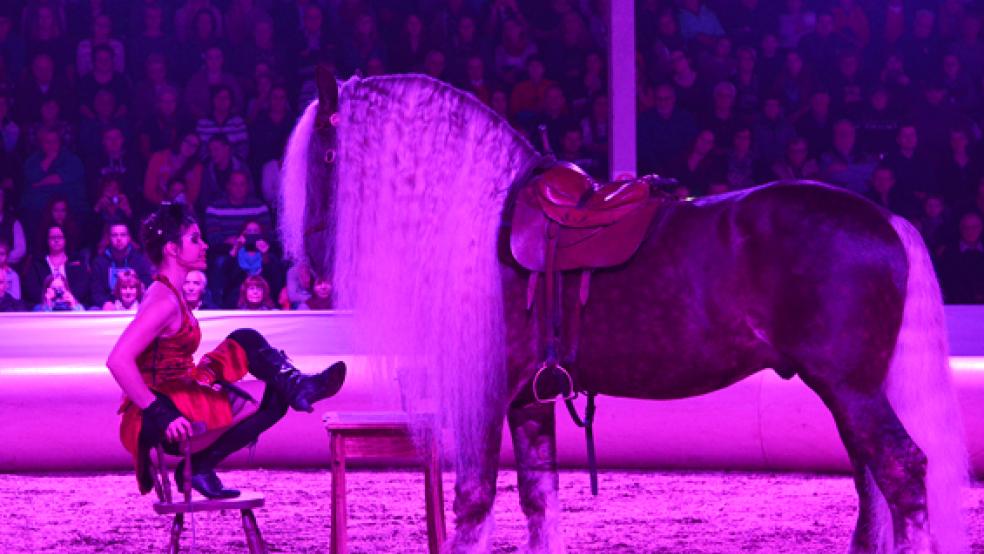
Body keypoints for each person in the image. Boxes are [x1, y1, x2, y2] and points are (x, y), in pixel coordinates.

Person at [106, 203, 347, 499]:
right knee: (271, 400)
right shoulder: (163, 301)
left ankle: (297, 385)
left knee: (246, 342)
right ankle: (201, 466)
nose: (204, 245)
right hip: (163, 413)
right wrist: (160, 412)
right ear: (172, 249)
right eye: (194, 239)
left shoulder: (171, 292)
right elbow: (118, 360)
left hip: (181, 386)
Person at [23, 224, 91, 308]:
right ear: (47, 240)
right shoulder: (37, 264)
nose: (56, 240)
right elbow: (32, 289)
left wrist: (67, 298)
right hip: (45, 306)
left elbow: (83, 286)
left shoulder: (76, 262)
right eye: (52, 237)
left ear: (65, 239)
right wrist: (48, 299)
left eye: (59, 237)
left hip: (72, 304)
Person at [90, 222, 154, 308]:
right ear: (109, 238)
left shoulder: (140, 261)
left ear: (129, 238)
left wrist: (137, 282)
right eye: (114, 235)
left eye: (123, 235)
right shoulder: (100, 262)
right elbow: (96, 291)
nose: (119, 238)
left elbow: (149, 287)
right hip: (109, 308)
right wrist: (104, 303)